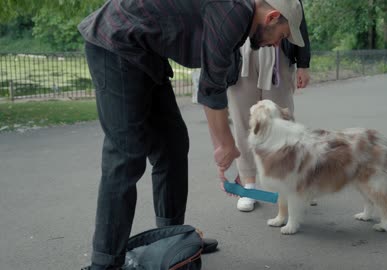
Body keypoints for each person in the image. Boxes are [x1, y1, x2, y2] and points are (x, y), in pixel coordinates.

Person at [77, 0, 306, 269]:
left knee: (173, 146)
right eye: (281, 36)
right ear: (272, 17)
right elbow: (210, 88)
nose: (277, 45)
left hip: (146, 53)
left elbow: (218, 77)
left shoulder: (240, 20)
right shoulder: (234, 11)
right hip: (116, 44)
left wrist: (224, 146)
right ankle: (104, 263)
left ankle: (172, 241)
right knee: (126, 155)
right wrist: (225, 146)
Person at [227, 2, 310, 212]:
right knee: (243, 121)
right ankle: (249, 186)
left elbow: (298, 21)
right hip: (241, 53)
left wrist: (304, 64)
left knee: (282, 121)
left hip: (279, 53)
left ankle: (291, 182)